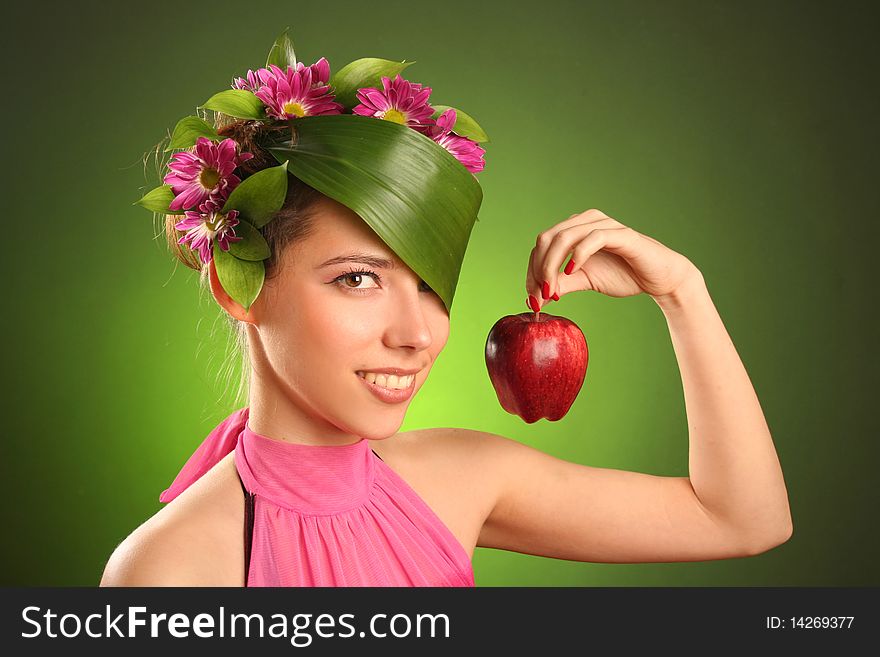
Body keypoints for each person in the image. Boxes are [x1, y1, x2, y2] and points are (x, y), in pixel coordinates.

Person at [100, 35, 792, 587]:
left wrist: (682, 292)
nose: (418, 334)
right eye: (358, 279)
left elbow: (741, 520)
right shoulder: (171, 571)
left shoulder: (462, 476)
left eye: (431, 284)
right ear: (237, 287)